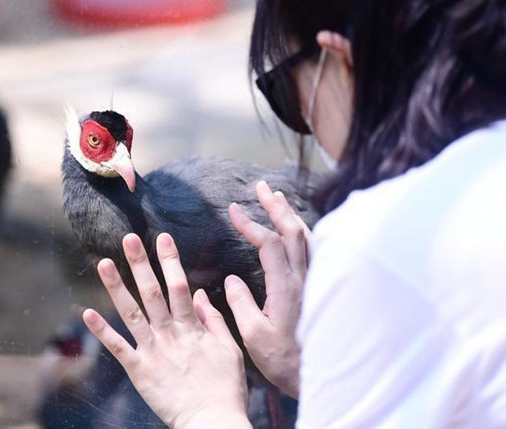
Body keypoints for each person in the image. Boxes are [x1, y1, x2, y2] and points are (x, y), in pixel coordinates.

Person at [81, 0, 506, 427]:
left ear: (341, 65)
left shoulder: (376, 241)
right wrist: (299, 369)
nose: (301, 121)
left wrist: (205, 413)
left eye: (283, 91)